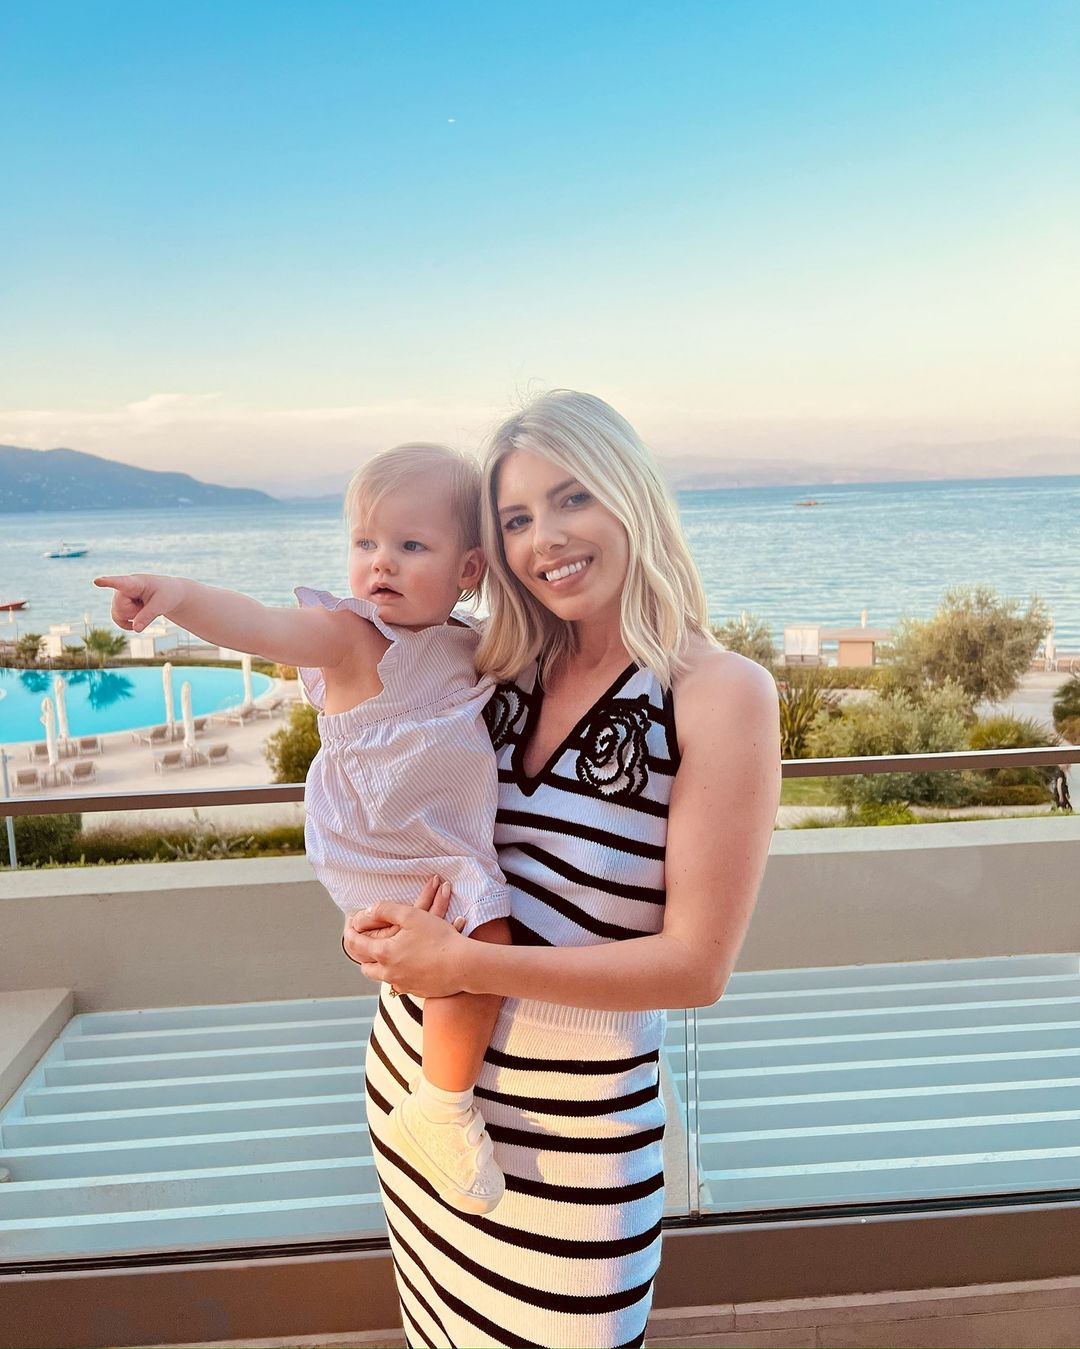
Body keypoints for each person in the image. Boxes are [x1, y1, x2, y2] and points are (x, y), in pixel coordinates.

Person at [344, 391, 781, 1349]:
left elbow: (695, 967)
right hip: (421, 1094)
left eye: (571, 498)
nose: (546, 537)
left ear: (631, 496)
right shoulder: (493, 669)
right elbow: (422, 842)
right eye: (516, 519)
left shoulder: (718, 694)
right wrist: (380, 927)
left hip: (574, 1147)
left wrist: (464, 968)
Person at [94, 443, 514, 1215]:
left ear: (469, 569)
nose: (380, 563)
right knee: (482, 932)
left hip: (429, 835)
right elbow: (258, 624)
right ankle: (442, 1106)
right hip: (380, 838)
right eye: (365, 543)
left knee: (473, 940)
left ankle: (441, 1097)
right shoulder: (350, 636)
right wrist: (177, 592)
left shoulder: (462, 639)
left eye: (410, 545)